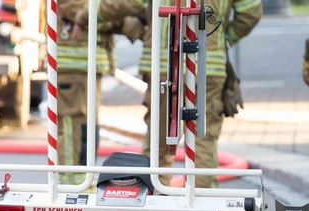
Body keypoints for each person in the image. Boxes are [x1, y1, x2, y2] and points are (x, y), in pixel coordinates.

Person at [140, 0, 262, 188]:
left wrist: (141, 30)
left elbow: (127, 4)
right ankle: (201, 202)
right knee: (202, 140)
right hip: (208, 66)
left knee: (159, 137)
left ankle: (153, 200)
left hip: (164, 65)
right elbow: (251, 11)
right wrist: (223, 37)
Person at [54, 0, 146, 184]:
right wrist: (127, 23)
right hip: (75, 68)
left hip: (83, 68)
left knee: (85, 126)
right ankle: (74, 183)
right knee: (76, 126)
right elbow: (89, 14)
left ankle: (80, 180)